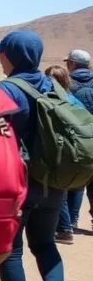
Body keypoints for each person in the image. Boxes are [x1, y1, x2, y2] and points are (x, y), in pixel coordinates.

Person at [0, 30, 70, 281]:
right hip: (54, 183)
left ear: (8, 56)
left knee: (11, 250)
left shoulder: (5, 91)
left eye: (1, 52)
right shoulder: (56, 87)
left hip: (18, 185)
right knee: (46, 244)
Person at [47, 64, 89, 244]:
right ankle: (71, 221)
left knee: (59, 189)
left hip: (61, 151)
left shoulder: (52, 101)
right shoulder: (74, 100)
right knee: (74, 188)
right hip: (78, 151)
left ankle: (65, 229)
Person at [64, 49, 93, 230]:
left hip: (78, 141)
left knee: (76, 182)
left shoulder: (68, 86)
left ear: (73, 64)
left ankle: (71, 221)